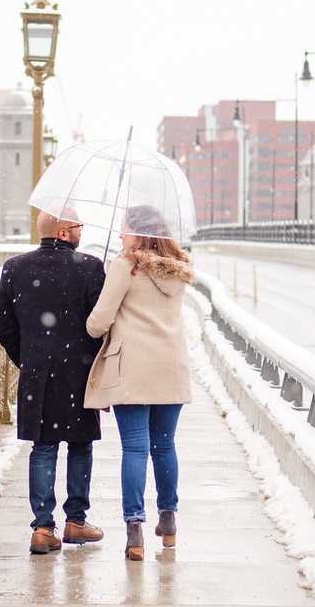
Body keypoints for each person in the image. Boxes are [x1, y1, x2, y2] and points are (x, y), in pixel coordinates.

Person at [0, 205, 107, 555]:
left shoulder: (14, 268)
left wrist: (29, 360)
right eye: (77, 226)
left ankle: (43, 528)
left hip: (37, 375)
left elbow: (4, 328)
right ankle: (76, 520)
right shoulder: (89, 267)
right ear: (62, 233)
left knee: (42, 448)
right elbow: (102, 325)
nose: (81, 232)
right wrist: (93, 361)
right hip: (80, 371)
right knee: (80, 444)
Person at [84, 203, 194, 561]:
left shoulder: (124, 266)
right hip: (171, 366)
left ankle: (134, 528)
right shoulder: (179, 269)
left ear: (140, 232)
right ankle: (168, 519)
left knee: (134, 447)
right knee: (165, 445)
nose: (120, 235)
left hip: (132, 367)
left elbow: (98, 322)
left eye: (125, 229)